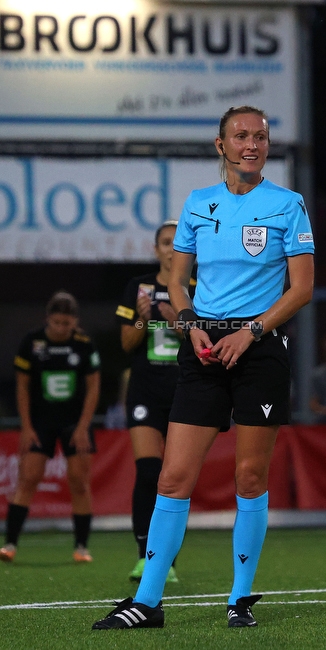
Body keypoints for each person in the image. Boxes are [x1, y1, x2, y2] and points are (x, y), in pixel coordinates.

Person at [93, 105, 315, 630]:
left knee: (249, 475)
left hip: (259, 347)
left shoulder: (288, 205)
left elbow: (301, 289)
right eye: (241, 136)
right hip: (204, 347)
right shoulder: (198, 205)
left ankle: (240, 597)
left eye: (260, 136)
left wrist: (253, 331)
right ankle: (146, 603)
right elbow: (175, 280)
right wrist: (189, 322)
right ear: (221, 146)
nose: (252, 144)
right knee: (171, 478)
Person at [0, 291, 101, 564]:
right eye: (56, 323)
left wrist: (83, 427)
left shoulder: (84, 344)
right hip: (41, 421)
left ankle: (81, 546)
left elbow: (93, 387)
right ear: (48, 320)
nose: (61, 329)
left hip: (74, 422)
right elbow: (21, 386)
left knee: (79, 481)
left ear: (75, 322)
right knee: (28, 477)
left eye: (66, 324)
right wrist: (26, 426)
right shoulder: (32, 342)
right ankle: (10, 544)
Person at [115, 220, 188, 583]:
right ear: (156, 248)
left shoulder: (196, 288)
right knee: (147, 472)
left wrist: (180, 323)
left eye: (177, 242)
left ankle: (168, 561)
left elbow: (207, 342)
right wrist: (143, 321)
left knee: (175, 477)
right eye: (164, 242)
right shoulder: (138, 287)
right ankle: (144, 555)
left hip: (186, 391)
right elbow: (126, 345)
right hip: (145, 390)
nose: (171, 248)